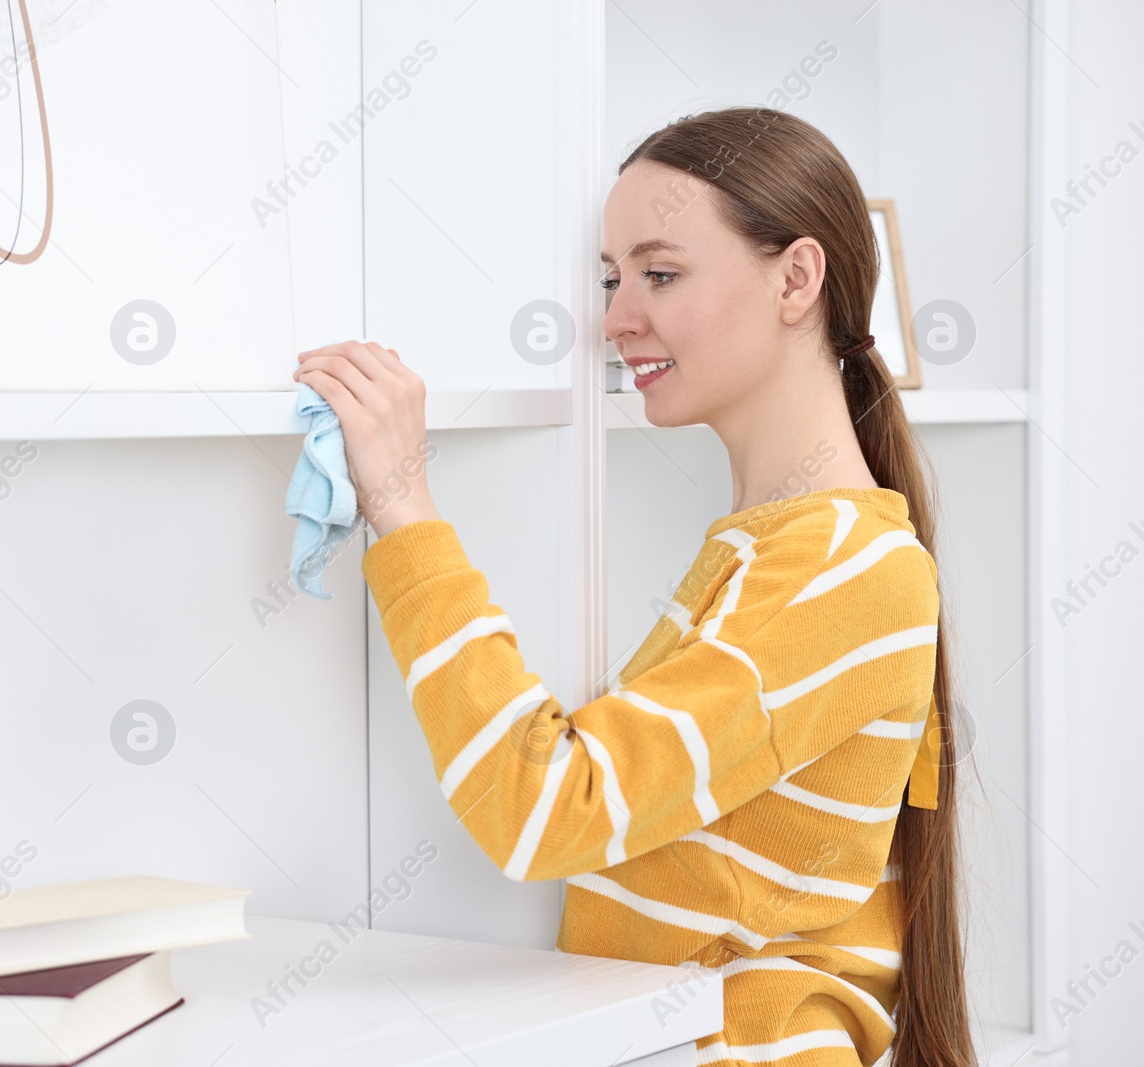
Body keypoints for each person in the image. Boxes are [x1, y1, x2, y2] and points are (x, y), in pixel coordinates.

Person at [292, 107, 974, 1067]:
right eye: (613, 279)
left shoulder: (840, 570)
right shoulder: (778, 549)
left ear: (797, 278)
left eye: (660, 274)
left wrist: (405, 508)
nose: (616, 317)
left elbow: (545, 808)